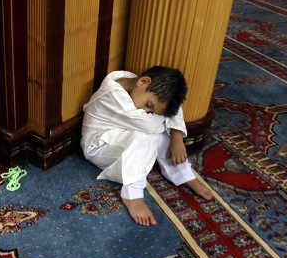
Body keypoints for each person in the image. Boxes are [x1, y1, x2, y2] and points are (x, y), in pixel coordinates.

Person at [81, 66, 213, 226]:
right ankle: (132, 193)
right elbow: (152, 125)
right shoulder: (113, 97)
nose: (146, 109)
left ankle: (181, 173)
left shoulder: (133, 82)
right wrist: (175, 134)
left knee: (159, 120)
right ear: (143, 81)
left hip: (121, 132)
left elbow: (171, 109)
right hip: (98, 146)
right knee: (149, 132)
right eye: (148, 104)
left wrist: (176, 136)